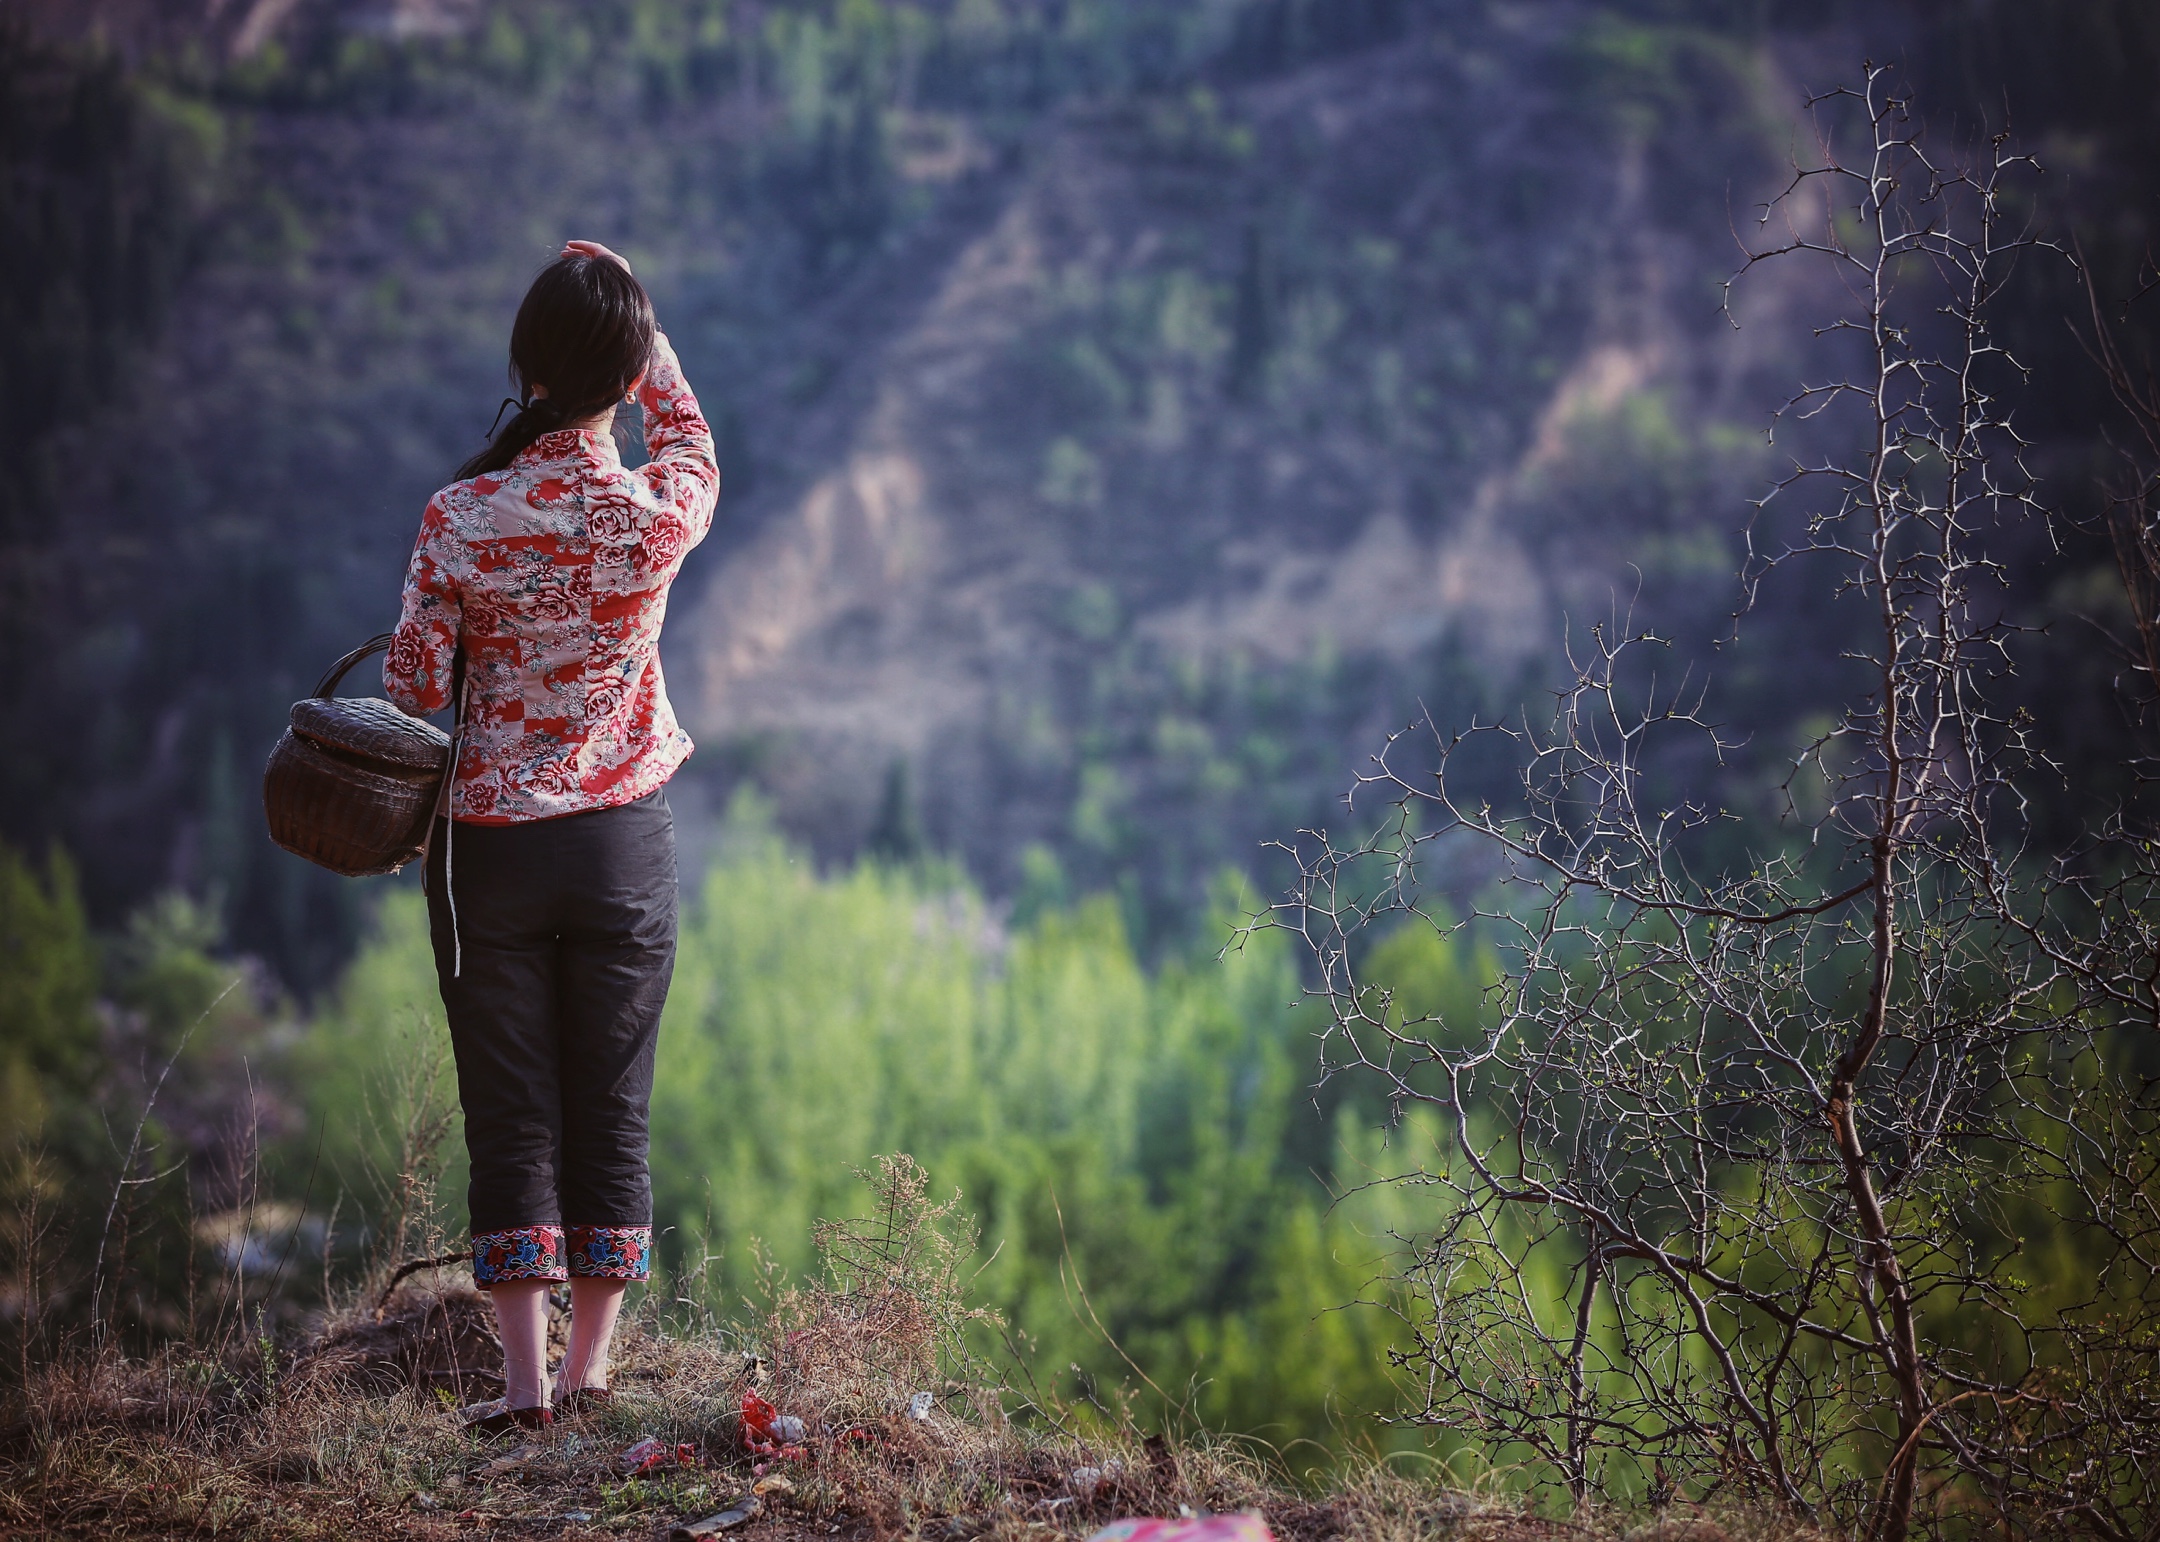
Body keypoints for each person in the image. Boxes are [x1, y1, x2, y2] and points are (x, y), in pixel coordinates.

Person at [383, 238, 719, 1432]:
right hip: (623, 841)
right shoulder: (652, 514)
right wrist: (652, 341)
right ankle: (592, 1376)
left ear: (524, 363)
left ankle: (521, 1392)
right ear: (623, 380)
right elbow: (694, 450)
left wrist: (450, 612)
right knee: (611, 1101)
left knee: (512, 1108)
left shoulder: (461, 515)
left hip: (496, 852)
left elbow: (417, 682)